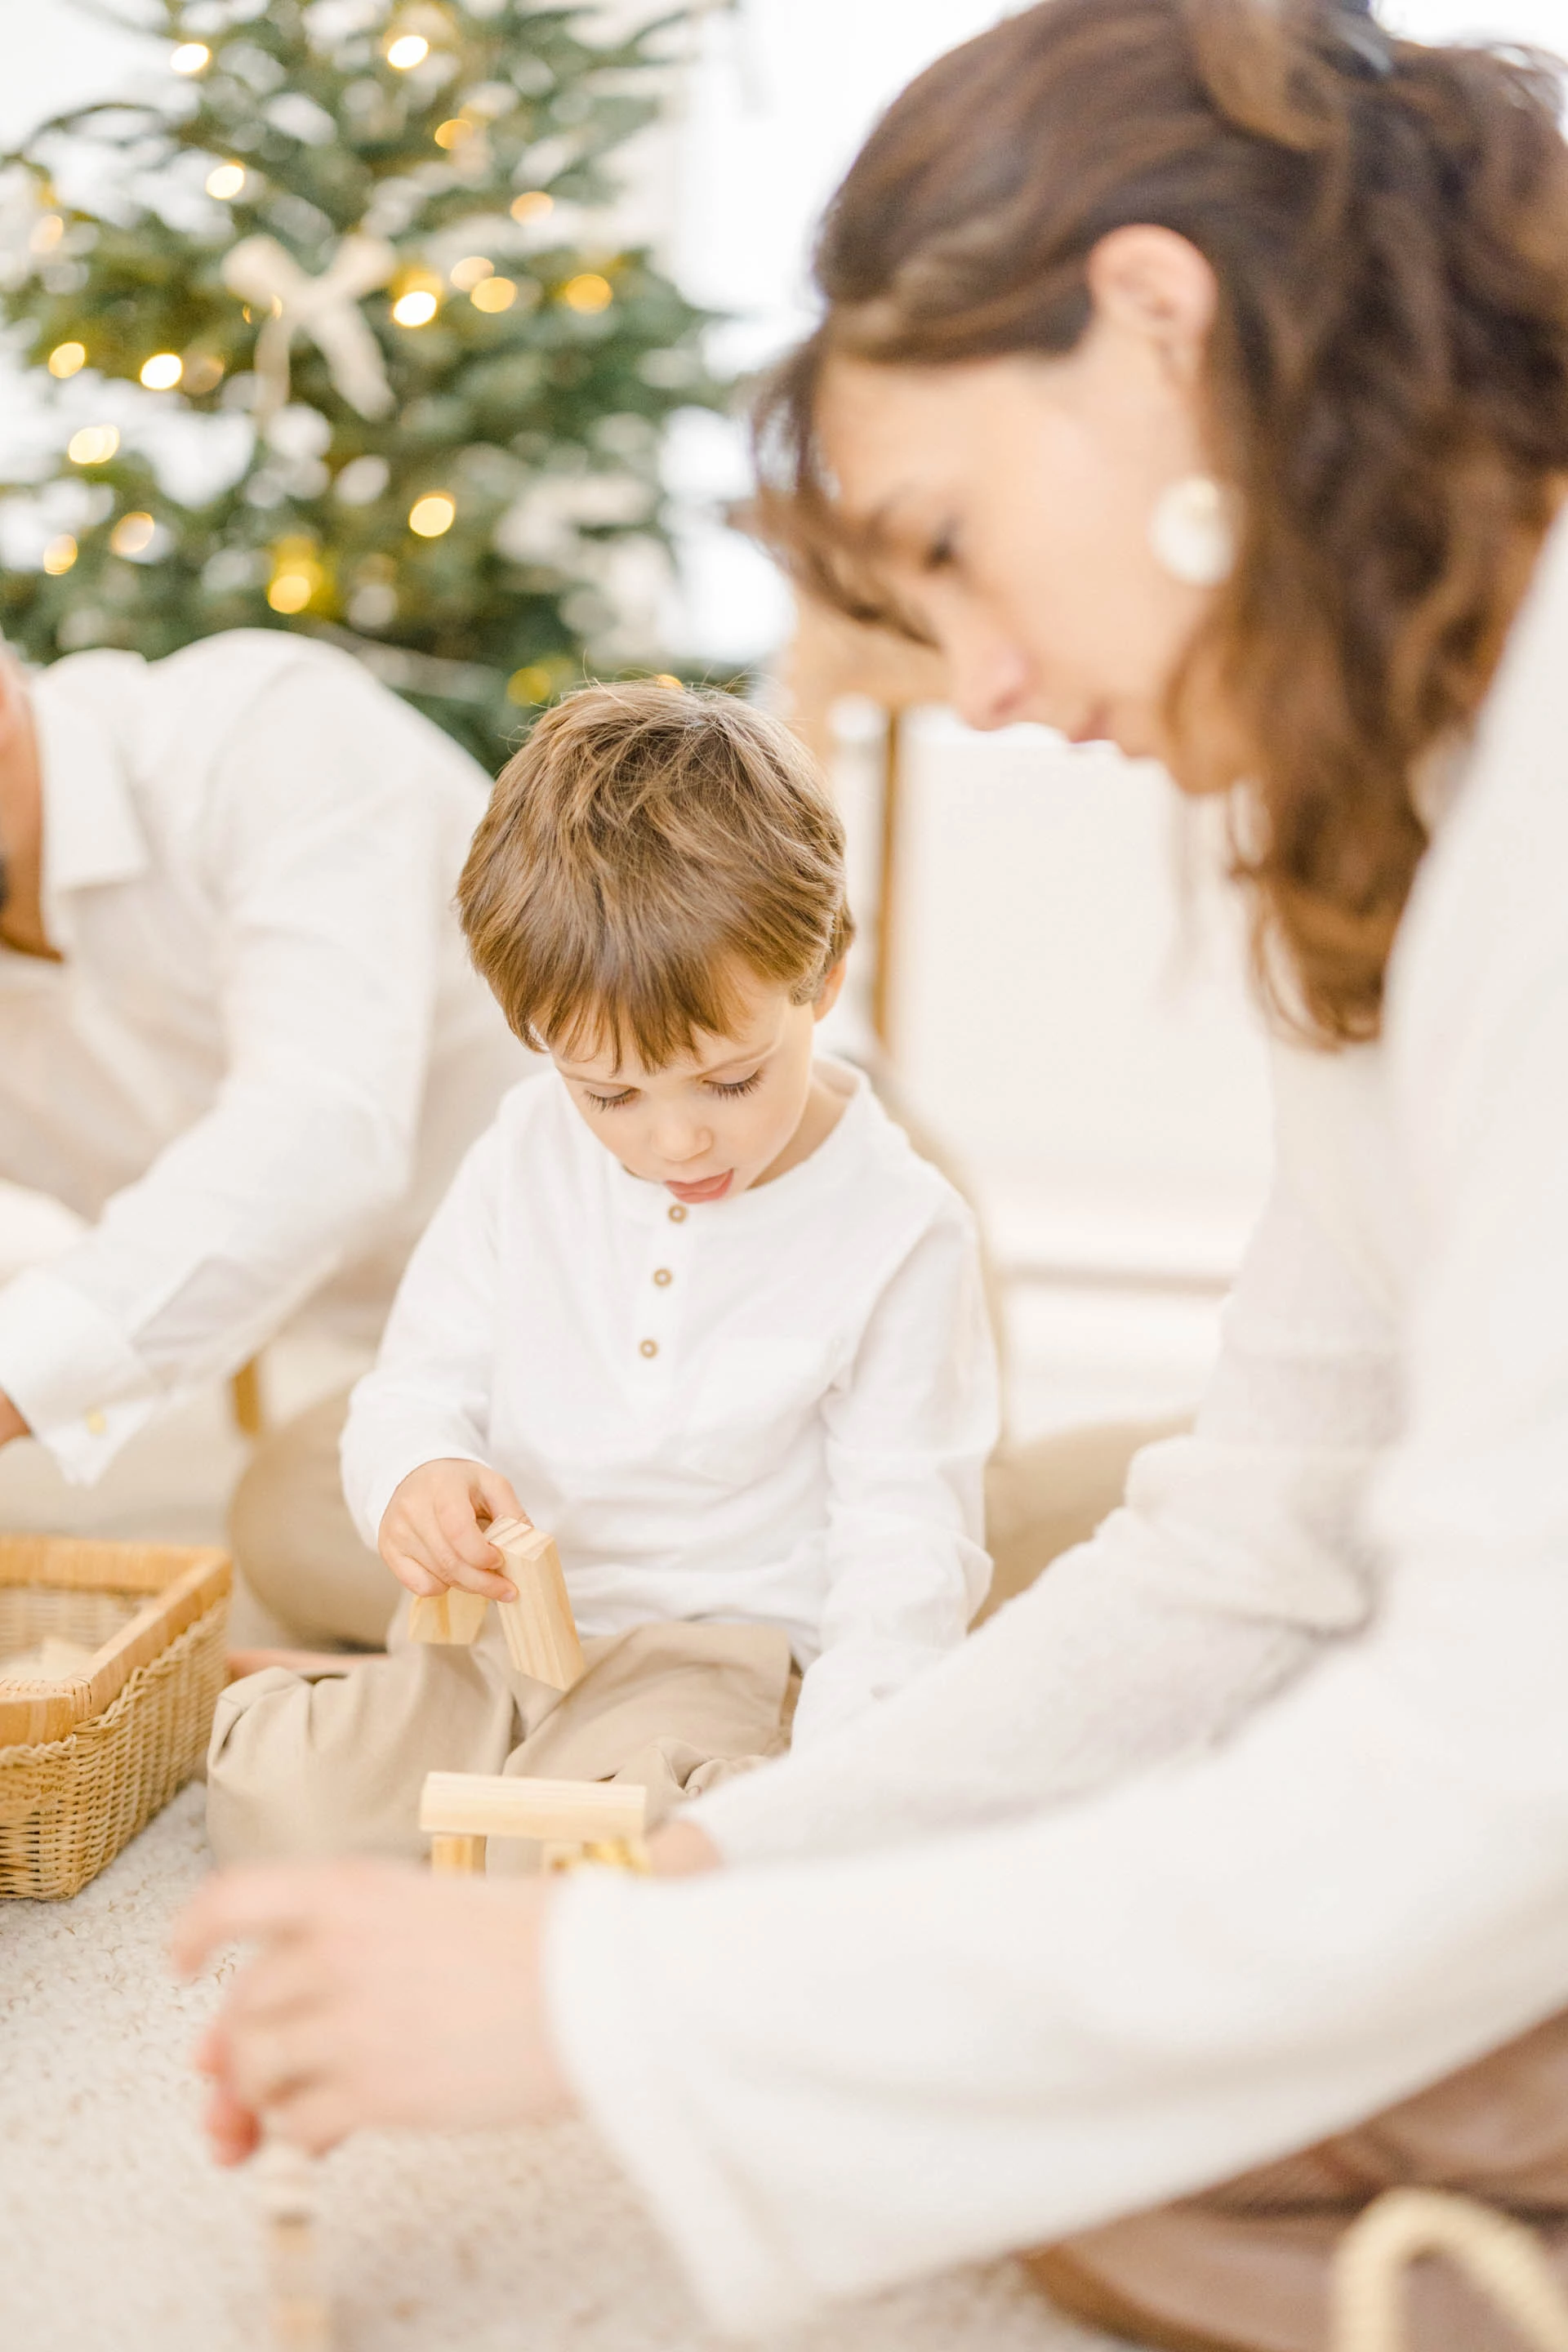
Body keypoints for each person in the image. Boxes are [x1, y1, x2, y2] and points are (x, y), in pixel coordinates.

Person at [177, 2, 1568, 2345]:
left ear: (1157, 324)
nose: (980, 680)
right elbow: (1257, 1539)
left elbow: (1492, 1755)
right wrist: (702, 1885)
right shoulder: (1386, 791)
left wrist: (619, 2010)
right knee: (1094, 2150)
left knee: (1115, 2100)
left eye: (946, 540)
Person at [204, 682, 996, 1863]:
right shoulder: (527, 1147)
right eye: (609, 1094)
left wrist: (843, 1780)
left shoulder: (902, 1228)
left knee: (588, 1851)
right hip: (499, 1637)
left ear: (823, 976)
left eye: (730, 1081)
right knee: (279, 1800)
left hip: (708, 1651)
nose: (674, 1142)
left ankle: (714, 1782)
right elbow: (416, 1383)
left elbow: (901, 1545)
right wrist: (421, 1470)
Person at [0, 629, 531, 1631]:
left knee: (301, 1516)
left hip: (749, 1199)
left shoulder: (264, 734)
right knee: (320, 1515)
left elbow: (323, 1135)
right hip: (482, 1347)